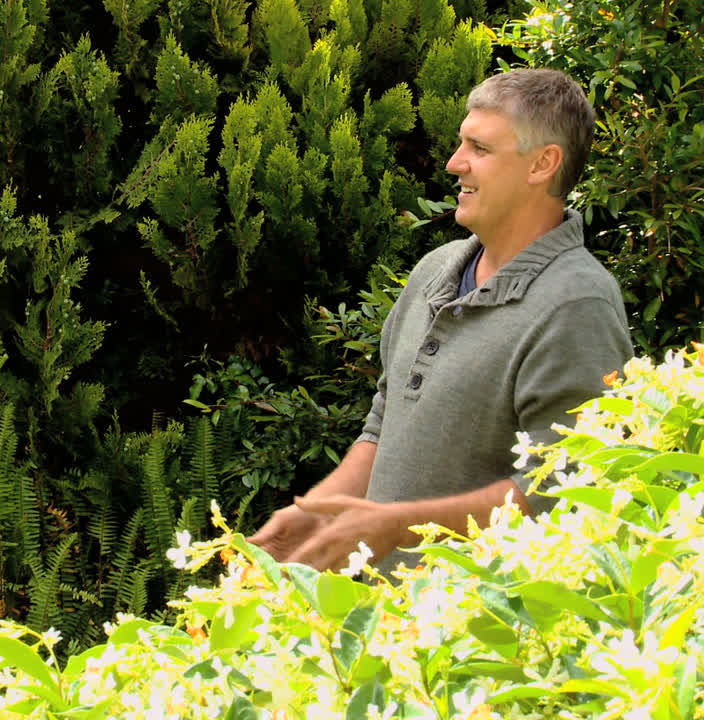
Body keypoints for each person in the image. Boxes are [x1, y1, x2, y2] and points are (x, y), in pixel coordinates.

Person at [248, 68, 634, 573]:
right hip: (384, 628)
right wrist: (314, 517)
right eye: (460, 144)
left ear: (543, 163)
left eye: (480, 148)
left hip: (479, 635)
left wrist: (398, 526)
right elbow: (384, 426)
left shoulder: (577, 305)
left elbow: (569, 490)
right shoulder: (436, 271)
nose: (455, 164)